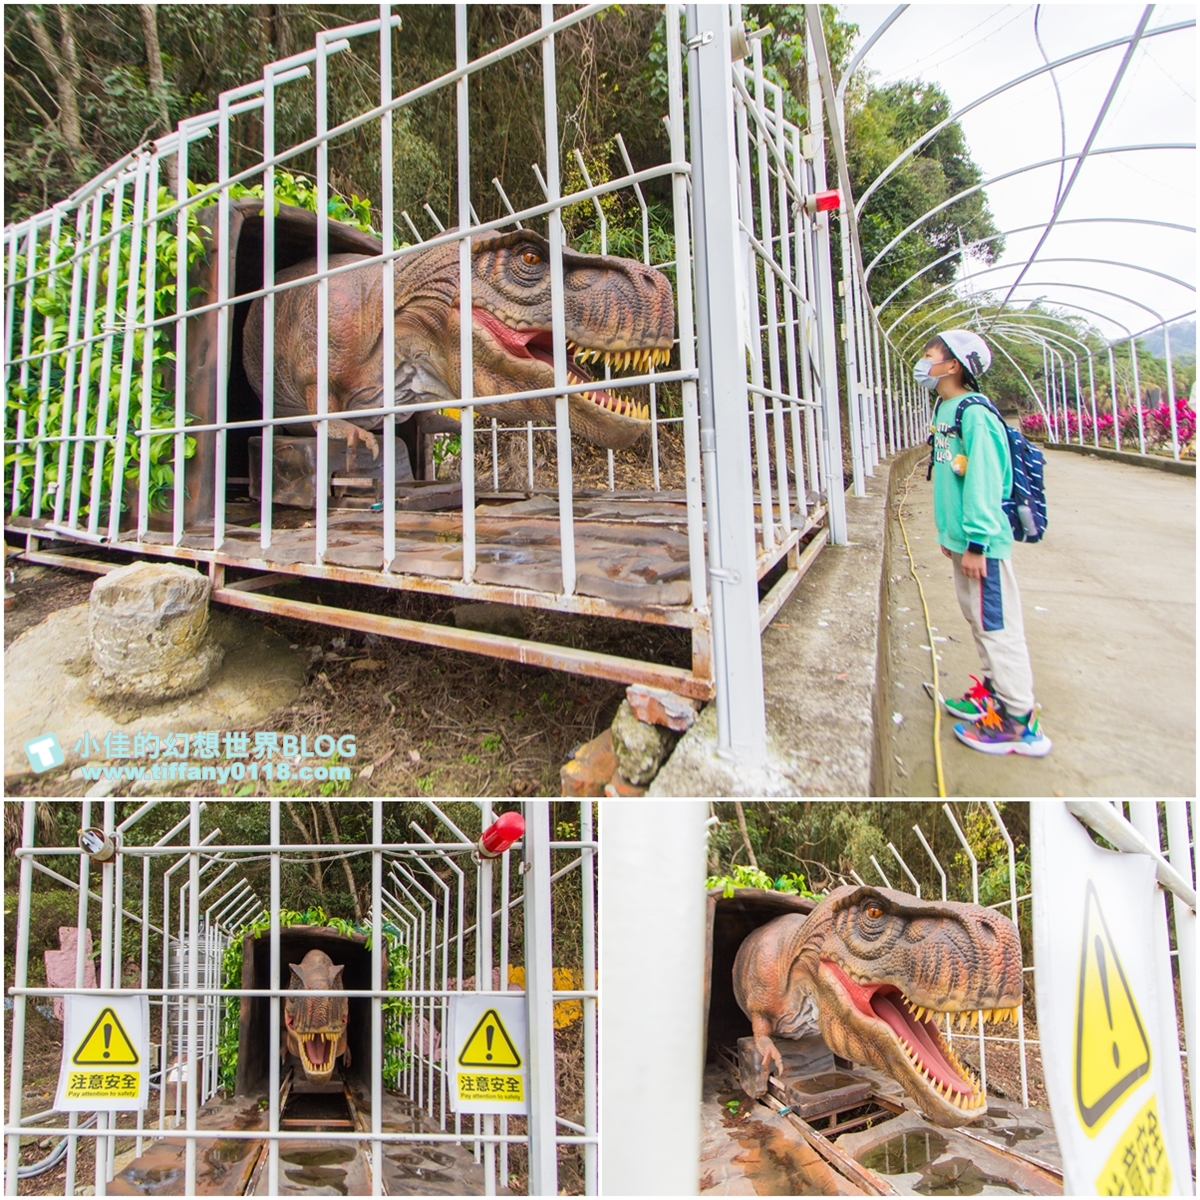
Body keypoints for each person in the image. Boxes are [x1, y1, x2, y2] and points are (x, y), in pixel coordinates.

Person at [917, 329, 1051, 757]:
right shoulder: (945, 407)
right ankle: (992, 694)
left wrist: (975, 542)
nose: (924, 362)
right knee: (979, 621)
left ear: (953, 365)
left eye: (930, 355)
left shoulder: (975, 413)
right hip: (962, 540)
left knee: (998, 627)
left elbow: (985, 480)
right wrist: (951, 537)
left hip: (983, 545)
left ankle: (1020, 721)